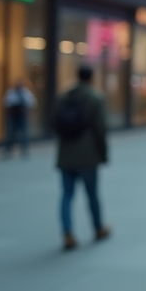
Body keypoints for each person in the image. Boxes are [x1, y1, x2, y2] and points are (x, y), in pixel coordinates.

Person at [53, 66, 111, 250]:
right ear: (91, 78)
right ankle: (98, 228)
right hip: (88, 154)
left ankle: (67, 233)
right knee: (92, 193)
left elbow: (53, 122)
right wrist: (103, 154)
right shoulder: (95, 98)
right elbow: (100, 129)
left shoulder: (64, 97)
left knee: (66, 194)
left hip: (66, 154)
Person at [2, 78, 36, 157]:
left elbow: (31, 103)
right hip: (13, 116)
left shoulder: (26, 93)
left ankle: (24, 150)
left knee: (24, 133)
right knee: (10, 134)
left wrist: (28, 114)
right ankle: (8, 150)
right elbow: (6, 104)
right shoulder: (11, 92)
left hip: (22, 116)